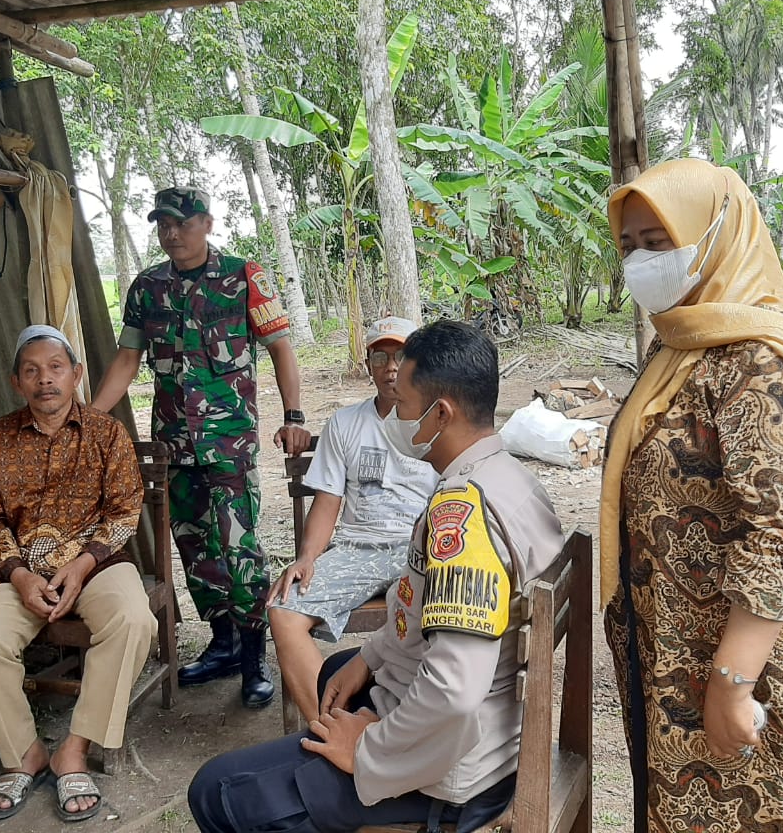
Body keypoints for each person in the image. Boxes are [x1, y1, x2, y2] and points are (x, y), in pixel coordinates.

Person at [187, 320, 565, 833]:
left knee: (215, 790)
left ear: (442, 413)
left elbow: (453, 692)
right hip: (484, 731)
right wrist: (369, 656)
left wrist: (368, 749)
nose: (396, 416)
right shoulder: (511, 479)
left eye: (405, 405)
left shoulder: (463, 518)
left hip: (452, 775)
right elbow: (424, 615)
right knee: (333, 674)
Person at [602, 159, 783, 833]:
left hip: (758, 670)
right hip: (683, 647)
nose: (643, 261)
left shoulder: (760, 359)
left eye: (660, 241)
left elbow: (781, 536)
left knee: (779, 804)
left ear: (719, 234)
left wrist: (732, 681)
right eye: (630, 245)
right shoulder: (681, 346)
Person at [93, 186, 311, 710]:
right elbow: (127, 359)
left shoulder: (243, 277)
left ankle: (255, 656)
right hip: (174, 442)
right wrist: (90, 421)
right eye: (163, 225)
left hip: (229, 441)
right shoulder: (147, 287)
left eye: (181, 224)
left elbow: (280, 347)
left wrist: (294, 416)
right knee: (193, 546)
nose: (171, 234)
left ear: (206, 223)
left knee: (240, 548)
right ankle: (224, 644)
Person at [0, 325, 158, 823]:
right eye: (32, 371)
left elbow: (125, 512)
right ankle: (25, 754)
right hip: (17, 571)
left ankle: (74, 748)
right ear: (16, 382)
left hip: (96, 564)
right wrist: (20, 575)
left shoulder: (106, 433)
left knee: (134, 620)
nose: (45, 380)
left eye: (55, 368)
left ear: (76, 375)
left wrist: (82, 562)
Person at [267, 316, 439, 724]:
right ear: (367, 365)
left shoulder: (436, 422)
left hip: (418, 548)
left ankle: (409, 728)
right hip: (356, 549)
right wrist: (307, 557)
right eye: (380, 357)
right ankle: (327, 728)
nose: (391, 367)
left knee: (446, 613)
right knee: (283, 608)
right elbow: (328, 502)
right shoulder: (345, 423)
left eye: (401, 356)